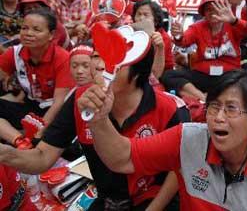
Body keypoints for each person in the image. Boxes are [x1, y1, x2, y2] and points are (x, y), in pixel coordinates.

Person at [76, 69, 247, 210]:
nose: (218, 118)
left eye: (232, 109)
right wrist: (98, 121)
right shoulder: (188, 138)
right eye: (214, 107)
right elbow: (121, 159)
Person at [0, 41, 183, 211]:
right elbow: (41, 158)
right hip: (108, 200)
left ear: (137, 72)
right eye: (96, 56)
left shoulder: (169, 108)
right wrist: (5, 154)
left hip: (156, 200)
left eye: (113, 58)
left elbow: (178, 170)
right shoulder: (80, 99)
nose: (99, 65)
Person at [162, 0, 247, 101]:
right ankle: (203, 98)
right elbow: (183, 41)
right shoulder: (197, 27)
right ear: (204, 13)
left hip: (229, 75)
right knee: (168, 76)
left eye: (216, 8)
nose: (213, 12)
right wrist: (178, 36)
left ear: (224, 9)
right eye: (209, 9)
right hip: (202, 75)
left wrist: (234, 20)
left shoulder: (233, 24)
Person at [0, 8, 73, 147]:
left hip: (55, 112)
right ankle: (20, 141)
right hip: (32, 107)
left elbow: (59, 103)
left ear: (51, 35)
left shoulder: (63, 58)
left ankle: (32, 141)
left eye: (36, 30)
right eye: (24, 28)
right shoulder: (14, 54)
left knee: (57, 141)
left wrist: (38, 132)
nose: (28, 33)